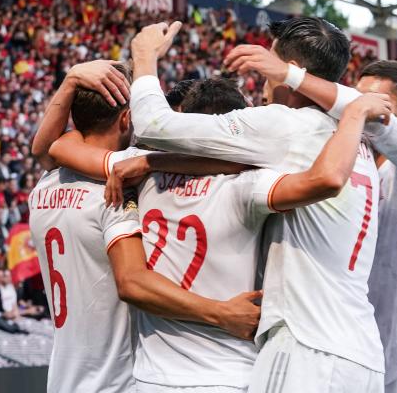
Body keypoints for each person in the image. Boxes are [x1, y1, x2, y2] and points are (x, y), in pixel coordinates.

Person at [41, 75, 390, 393]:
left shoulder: (139, 175)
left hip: (151, 377)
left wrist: (75, 83)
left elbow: (55, 147)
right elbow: (322, 181)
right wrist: (353, 116)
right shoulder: (250, 183)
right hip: (231, 375)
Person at [127, 18, 387, 392]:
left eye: (270, 65)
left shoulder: (284, 124)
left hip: (306, 346)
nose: (264, 81)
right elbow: (239, 161)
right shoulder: (354, 133)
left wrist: (144, 55)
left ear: (289, 71)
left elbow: (153, 125)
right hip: (361, 351)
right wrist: (153, 162)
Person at [223, 49, 397, 393]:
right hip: (368, 358)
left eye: (369, 99)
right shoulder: (356, 167)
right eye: (356, 94)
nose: (356, 106)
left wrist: (289, 74)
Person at [30, 61, 265, 393]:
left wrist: (69, 83)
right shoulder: (121, 185)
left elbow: (46, 148)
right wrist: (221, 313)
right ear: (127, 118)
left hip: (64, 378)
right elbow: (133, 283)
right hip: (117, 380)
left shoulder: (45, 182)